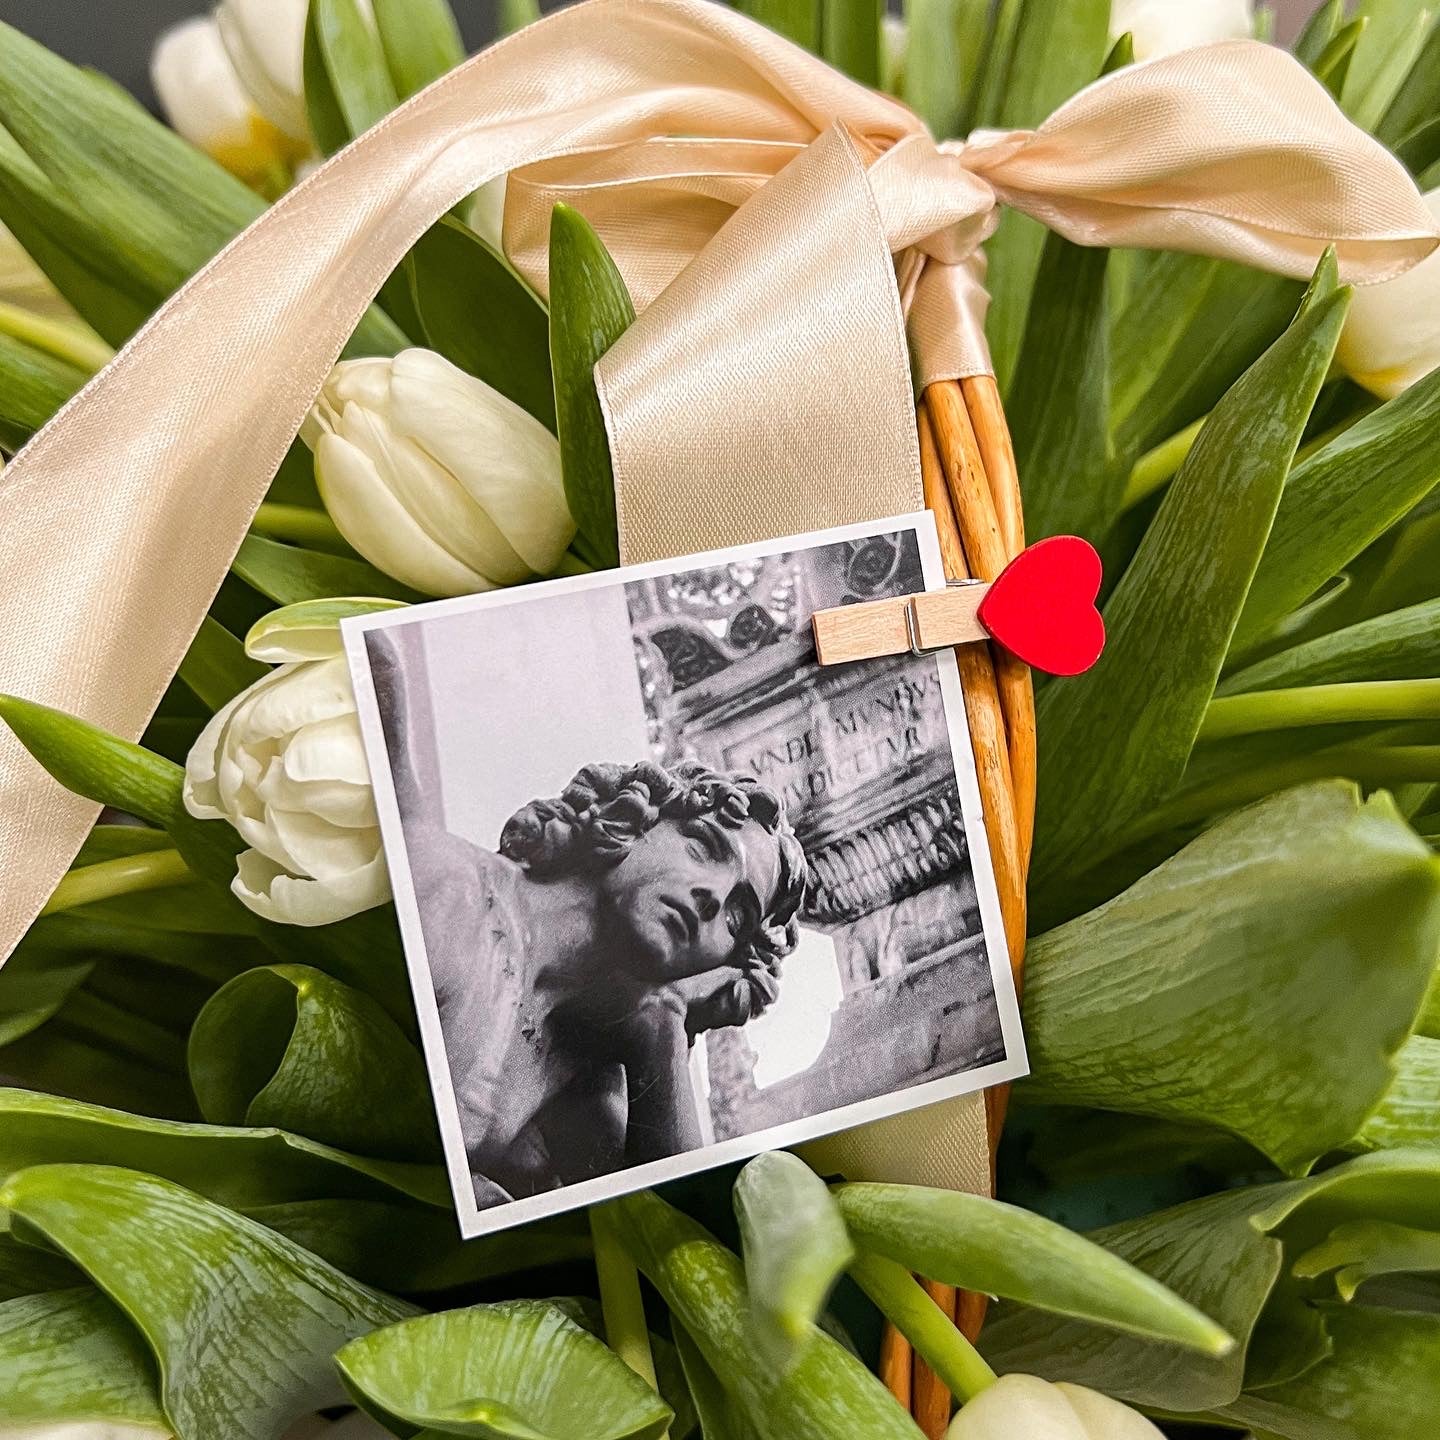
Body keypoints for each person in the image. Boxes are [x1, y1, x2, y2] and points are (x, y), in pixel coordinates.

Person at [373, 641, 807, 1204]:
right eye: (703, 846)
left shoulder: (588, 1082)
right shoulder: (452, 891)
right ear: (633, 819)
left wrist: (664, 1025)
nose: (712, 899)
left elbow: (678, 1236)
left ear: (722, 964)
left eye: (738, 917)